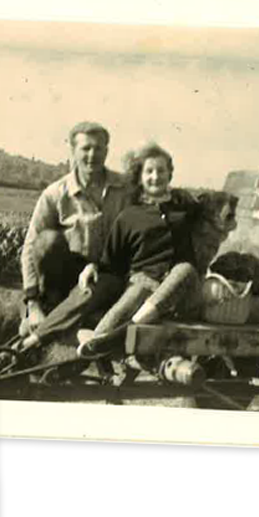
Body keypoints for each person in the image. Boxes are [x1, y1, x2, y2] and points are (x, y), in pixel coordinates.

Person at [75, 143, 205, 359]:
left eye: (161, 170)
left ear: (170, 174)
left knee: (185, 269)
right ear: (140, 177)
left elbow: (215, 214)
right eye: (149, 171)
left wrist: (183, 196)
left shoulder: (185, 208)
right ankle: (92, 348)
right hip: (145, 288)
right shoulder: (129, 217)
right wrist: (92, 265)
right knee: (135, 291)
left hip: (184, 293)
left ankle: (125, 332)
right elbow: (111, 261)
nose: (156, 176)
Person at [15, 121, 134, 346]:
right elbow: (30, 247)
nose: (92, 155)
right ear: (73, 151)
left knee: (95, 286)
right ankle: (46, 307)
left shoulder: (125, 189)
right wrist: (33, 303)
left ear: (107, 151)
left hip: (107, 274)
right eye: (86, 148)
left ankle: (36, 338)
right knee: (47, 240)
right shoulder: (55, 194)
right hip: (66, 278)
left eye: (99, 148)